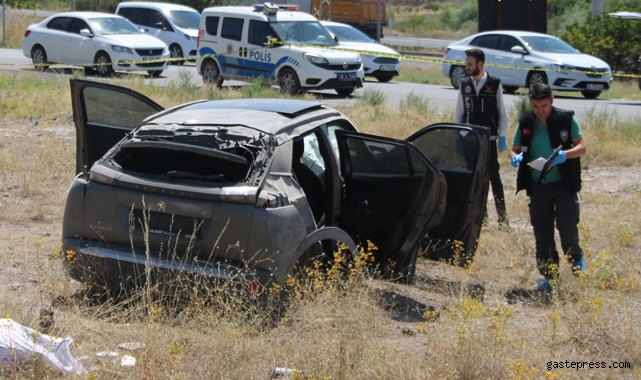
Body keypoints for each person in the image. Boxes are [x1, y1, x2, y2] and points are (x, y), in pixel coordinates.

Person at [510, 83, 587, 292]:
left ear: (552, 100)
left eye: (544, 105)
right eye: (535, 106)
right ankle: (549, 276)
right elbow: (515, 148)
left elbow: (581, 147)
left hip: (563, 183)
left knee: (567, 224)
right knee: (542, 234)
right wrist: (515, 157)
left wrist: (565, 155)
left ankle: (576, 261)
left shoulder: (565, 118)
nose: (540, 110)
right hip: (538, 185)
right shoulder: (526, 122)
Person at [454, 48, 509, 228]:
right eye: (466, 64)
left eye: (470, 64)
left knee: (494, 177)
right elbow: (459, 112)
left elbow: (502, 113)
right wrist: (459, 136)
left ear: (480, 64)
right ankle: (482, 217)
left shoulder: (494, 83)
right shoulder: (464, 84)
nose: (466, 68)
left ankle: (502, 217)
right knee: (475, 179)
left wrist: (501, 136)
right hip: (470, 140)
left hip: (489, 139)